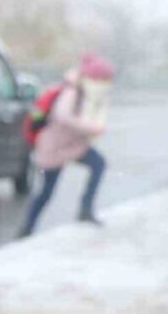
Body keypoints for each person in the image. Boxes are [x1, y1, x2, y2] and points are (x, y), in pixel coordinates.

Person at [19, 53, 115, 237]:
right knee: (46, 191)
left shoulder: (83, 90)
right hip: (55, 147)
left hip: (71, 145)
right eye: (102, 78)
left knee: (98, 164)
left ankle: (85, 210)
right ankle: (27, 228)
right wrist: (90, 127)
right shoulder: (71, 90)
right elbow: (62, 116)